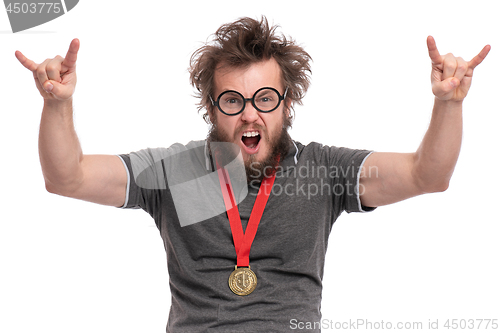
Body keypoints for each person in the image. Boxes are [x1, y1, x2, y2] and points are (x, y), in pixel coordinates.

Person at [16, 16, 490, 333]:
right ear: (212, 107)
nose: (250, 116)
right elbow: (67, 178)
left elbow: (429, 174)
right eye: (233, 101)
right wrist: (57, 105)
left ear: (286, 104)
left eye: (265, 99)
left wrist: (448, 104)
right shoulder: (173, 172)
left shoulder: (324, 171)